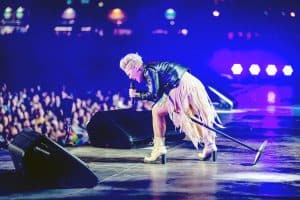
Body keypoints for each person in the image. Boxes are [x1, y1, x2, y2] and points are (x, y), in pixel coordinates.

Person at [119, 53, 220, 163]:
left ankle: (159, 148)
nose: (130, 77)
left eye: (129, 73)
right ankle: (210, 144)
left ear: (135, 67)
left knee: (156, 112)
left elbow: (153, 94)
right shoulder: (152, 67)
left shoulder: (148, 71)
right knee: (191, 115)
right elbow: (159, 95)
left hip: (180, 86)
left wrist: (136, 95)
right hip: (192, 83)